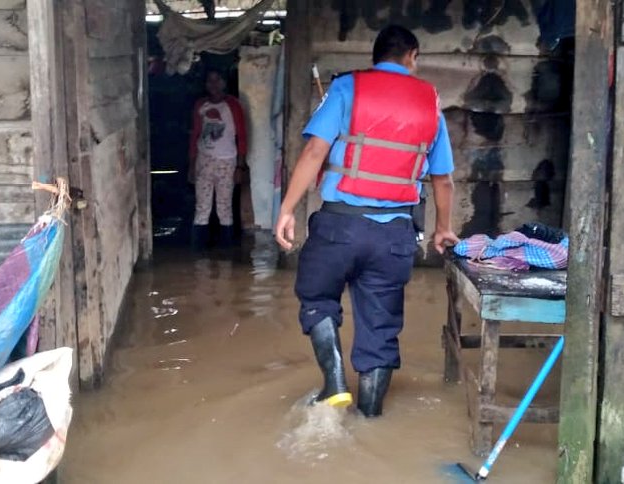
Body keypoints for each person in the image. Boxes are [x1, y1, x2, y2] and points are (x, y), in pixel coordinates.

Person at [274, 25, 459, 417]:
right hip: (394, 236)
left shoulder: (346, 89)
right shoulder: (430, 104)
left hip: (339, 226)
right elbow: (442, 179)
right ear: (412, 56)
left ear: (375, 57)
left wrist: (287, 208)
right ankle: (370, 417)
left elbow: (313, 152)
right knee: (379, 327)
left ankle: (336, 383)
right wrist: (443, 228)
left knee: (318, 297)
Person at [188, 69, 249, 249]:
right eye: (210, 81)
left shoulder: (233, 105)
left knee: (224, 208)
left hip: (226, 161)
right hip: (204, 160)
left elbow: (242, 136)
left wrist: (240, 166)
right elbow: (195, 136)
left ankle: (227, 255)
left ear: (224, 83)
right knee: (202, 207)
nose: (213, 85)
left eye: (217, 80)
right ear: (205, 84)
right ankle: (197, 254)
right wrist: (192, 165)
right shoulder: (201, 105)